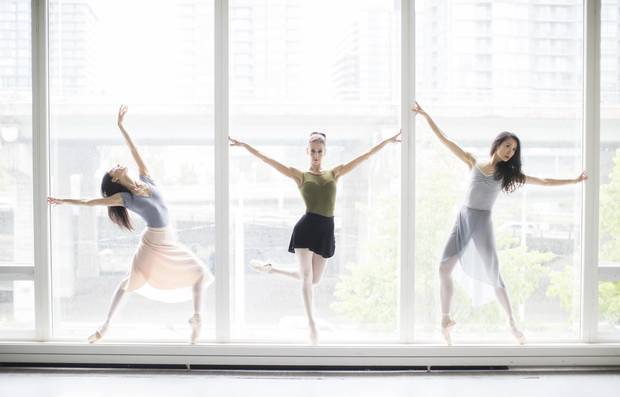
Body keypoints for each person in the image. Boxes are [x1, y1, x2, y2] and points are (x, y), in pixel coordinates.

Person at [412, 102, 587, 346]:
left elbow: (545, 181)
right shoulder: (472, 161)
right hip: (463, 217)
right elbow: (445, 140)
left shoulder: (508, 174)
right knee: (443, 268)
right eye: (507, 146)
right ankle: (445, 320)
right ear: (497, 145)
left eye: (514, 150)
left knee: (494, 274)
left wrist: (575, 180)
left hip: (482, 222)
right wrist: (425, 115)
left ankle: (512, 323)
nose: (510, 152)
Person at [48, 105, 213, 344]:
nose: (117, 164)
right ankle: (104, 327)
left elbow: (134, 150)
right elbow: (90, 202)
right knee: (128, 283)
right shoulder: (126, 199)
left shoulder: (147, 178)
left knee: (199, 273)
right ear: (115, 179)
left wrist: (122, 127)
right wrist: (63, 200)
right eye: (113, 169)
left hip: (169, 240)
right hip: (153, 243)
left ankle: (197, 319)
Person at [229, 130, 401, 344]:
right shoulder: (300, 176)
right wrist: (245, 145)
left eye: (319, 152)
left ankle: (272, 269)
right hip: (306, 228)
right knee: (307, 278)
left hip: (326, 229)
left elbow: (364, 157)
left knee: (314, 279)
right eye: (312, 152)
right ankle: (312, 324)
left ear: (325, 152)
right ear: (307, 152)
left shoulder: (334, 174)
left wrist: (387, 141)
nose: (316, 156)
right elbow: (269, 160)